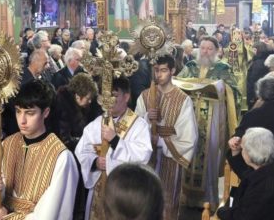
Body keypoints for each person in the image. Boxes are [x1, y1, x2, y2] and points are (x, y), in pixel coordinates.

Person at [0, 80, 79, 219]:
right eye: (18, 111)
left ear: (45, 112)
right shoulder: (6, 145)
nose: (22, 120)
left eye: (30, 113)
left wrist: (8, 217)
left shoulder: (60, 157)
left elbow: (48, 214)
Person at [75, 76, 153, 220]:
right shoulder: (98, 123)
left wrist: (115, 140)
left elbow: (143, 155)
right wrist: (95, 162)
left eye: (114, 96)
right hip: (99, 189)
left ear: (126, 97)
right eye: (105, 96)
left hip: (124, 190)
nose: (109, 101)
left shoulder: (139, 125)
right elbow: (82, 150)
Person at [135, 54, 197, 220]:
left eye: (163, 70)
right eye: (156, 70)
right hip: (147, 157)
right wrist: (146, 118)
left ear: (172, 71)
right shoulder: (145, 96)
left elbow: (188, 136)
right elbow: (134, 126)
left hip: (170, 157)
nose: (159, 75)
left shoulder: (183, 100)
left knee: (167, 201)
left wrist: (161, 141)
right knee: (145, 200)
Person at [219, 127, 274, 220]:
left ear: (251, 154)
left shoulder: (265, 185)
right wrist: (235, 151)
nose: (241, 151)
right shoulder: (273, 166)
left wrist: (221, 211)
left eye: (243, 149)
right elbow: (246, 175)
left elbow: (243, 217)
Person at [54, 72, 98, 150]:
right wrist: (88, 144)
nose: (90, 101)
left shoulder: (82, 106)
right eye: (88, 98)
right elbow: (65, 139)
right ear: (78, 96)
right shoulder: (63, 107)